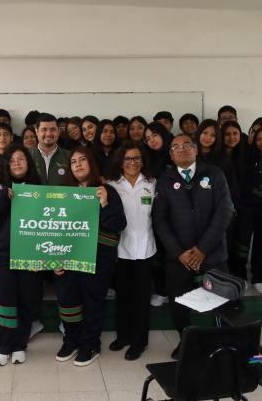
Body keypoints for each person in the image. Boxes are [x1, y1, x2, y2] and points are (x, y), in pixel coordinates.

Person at [152, 134, 233, 360]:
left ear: (196, 150)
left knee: (222, 301)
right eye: (176, 147)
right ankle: (186, 340)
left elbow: (224, 211)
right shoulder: (164, 180)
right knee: (178, 303)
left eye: (186, 145)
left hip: (213, 252)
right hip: (179, 257)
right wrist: (179, 252)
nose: (181, 149)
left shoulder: (215, 174)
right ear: (171, 156)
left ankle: (223, 343)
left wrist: (202, 249)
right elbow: (160, 220)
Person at [53, 146, 126, 366]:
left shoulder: (106, 190)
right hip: (67, 258)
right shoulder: (62, 194)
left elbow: (119, 224)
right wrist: (53, 259)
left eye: (82, 160)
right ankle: (71, 341)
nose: (78, 165)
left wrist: (104, 204)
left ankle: (90, 344)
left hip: (98, 258)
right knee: (68, 302)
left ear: (91, 163)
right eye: (73, 162)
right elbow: (51, 228)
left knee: (93, 303)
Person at [0, 143, 44, 366]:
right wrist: (2, 197)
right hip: (0, 254)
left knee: (27, 301)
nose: (16, 163)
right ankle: (4, 346)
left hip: (31, 254)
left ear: (28, 162)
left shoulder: (39, 188)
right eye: (12, 160)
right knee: (3, 301)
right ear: (6, 164)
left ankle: (20, 345)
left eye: (21, 159)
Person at [107, 142, 156, 361]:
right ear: (121, 162)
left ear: (142, 161)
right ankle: (123, 336)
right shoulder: (111, 185)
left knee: (141, 299)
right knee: (123, 296)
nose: (132, 162)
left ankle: (139, 341)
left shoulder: (152, 184)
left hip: (146, 249)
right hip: (121, 249)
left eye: (136, 158)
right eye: (127, 158)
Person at [229, 127, 262, 295]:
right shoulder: (247, 157)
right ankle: (240, 276)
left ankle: (259, 278)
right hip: (246, 207)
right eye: (258, 139)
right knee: (241, 244)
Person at [143, 122, 173, 307]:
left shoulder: (176, 153)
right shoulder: (147, 158)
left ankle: (177, 291)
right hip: (154, 211)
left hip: (177, 212)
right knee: (158, 254)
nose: (151, 141)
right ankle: (161, 291)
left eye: (154, 135)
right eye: (147, 139)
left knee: (175, 253)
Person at [28, 114, 70, 186]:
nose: (48, 134)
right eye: (44, 130)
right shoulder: (26, 156)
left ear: (58, 131)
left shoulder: (70, 156)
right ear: (36, 131)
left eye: (53, 129)